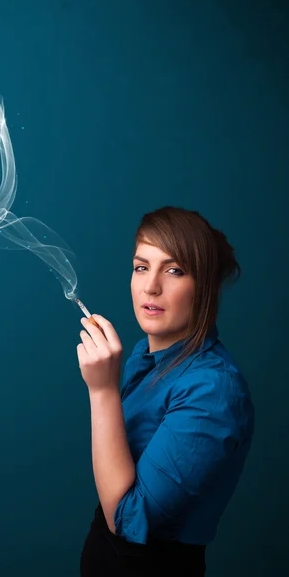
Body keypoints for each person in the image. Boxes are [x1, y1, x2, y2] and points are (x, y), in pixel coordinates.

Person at [77, 206, 255, 577]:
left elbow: (127, 520)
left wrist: (102, 391)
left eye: (174, 270)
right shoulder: (145, 353)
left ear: (204, 284)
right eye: (141, 267)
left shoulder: (214, 389)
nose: (151, 286)